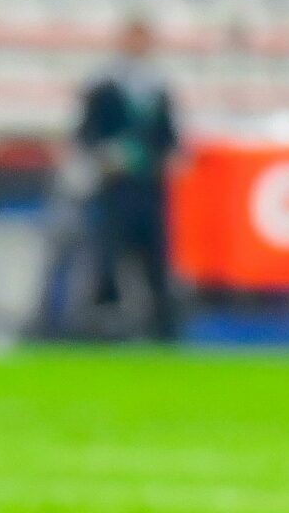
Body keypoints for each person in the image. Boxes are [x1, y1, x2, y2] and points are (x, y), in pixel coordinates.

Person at [76, 19, 181, 342]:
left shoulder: (158, 87)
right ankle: (102, 326)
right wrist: (106, 155)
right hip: (114, 187)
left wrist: (162, 158)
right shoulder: (104, 86)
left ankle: (162, 329)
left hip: (149, 188)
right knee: (107, 257)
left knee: (155, 260)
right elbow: (87, 133)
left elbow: (169, 137)